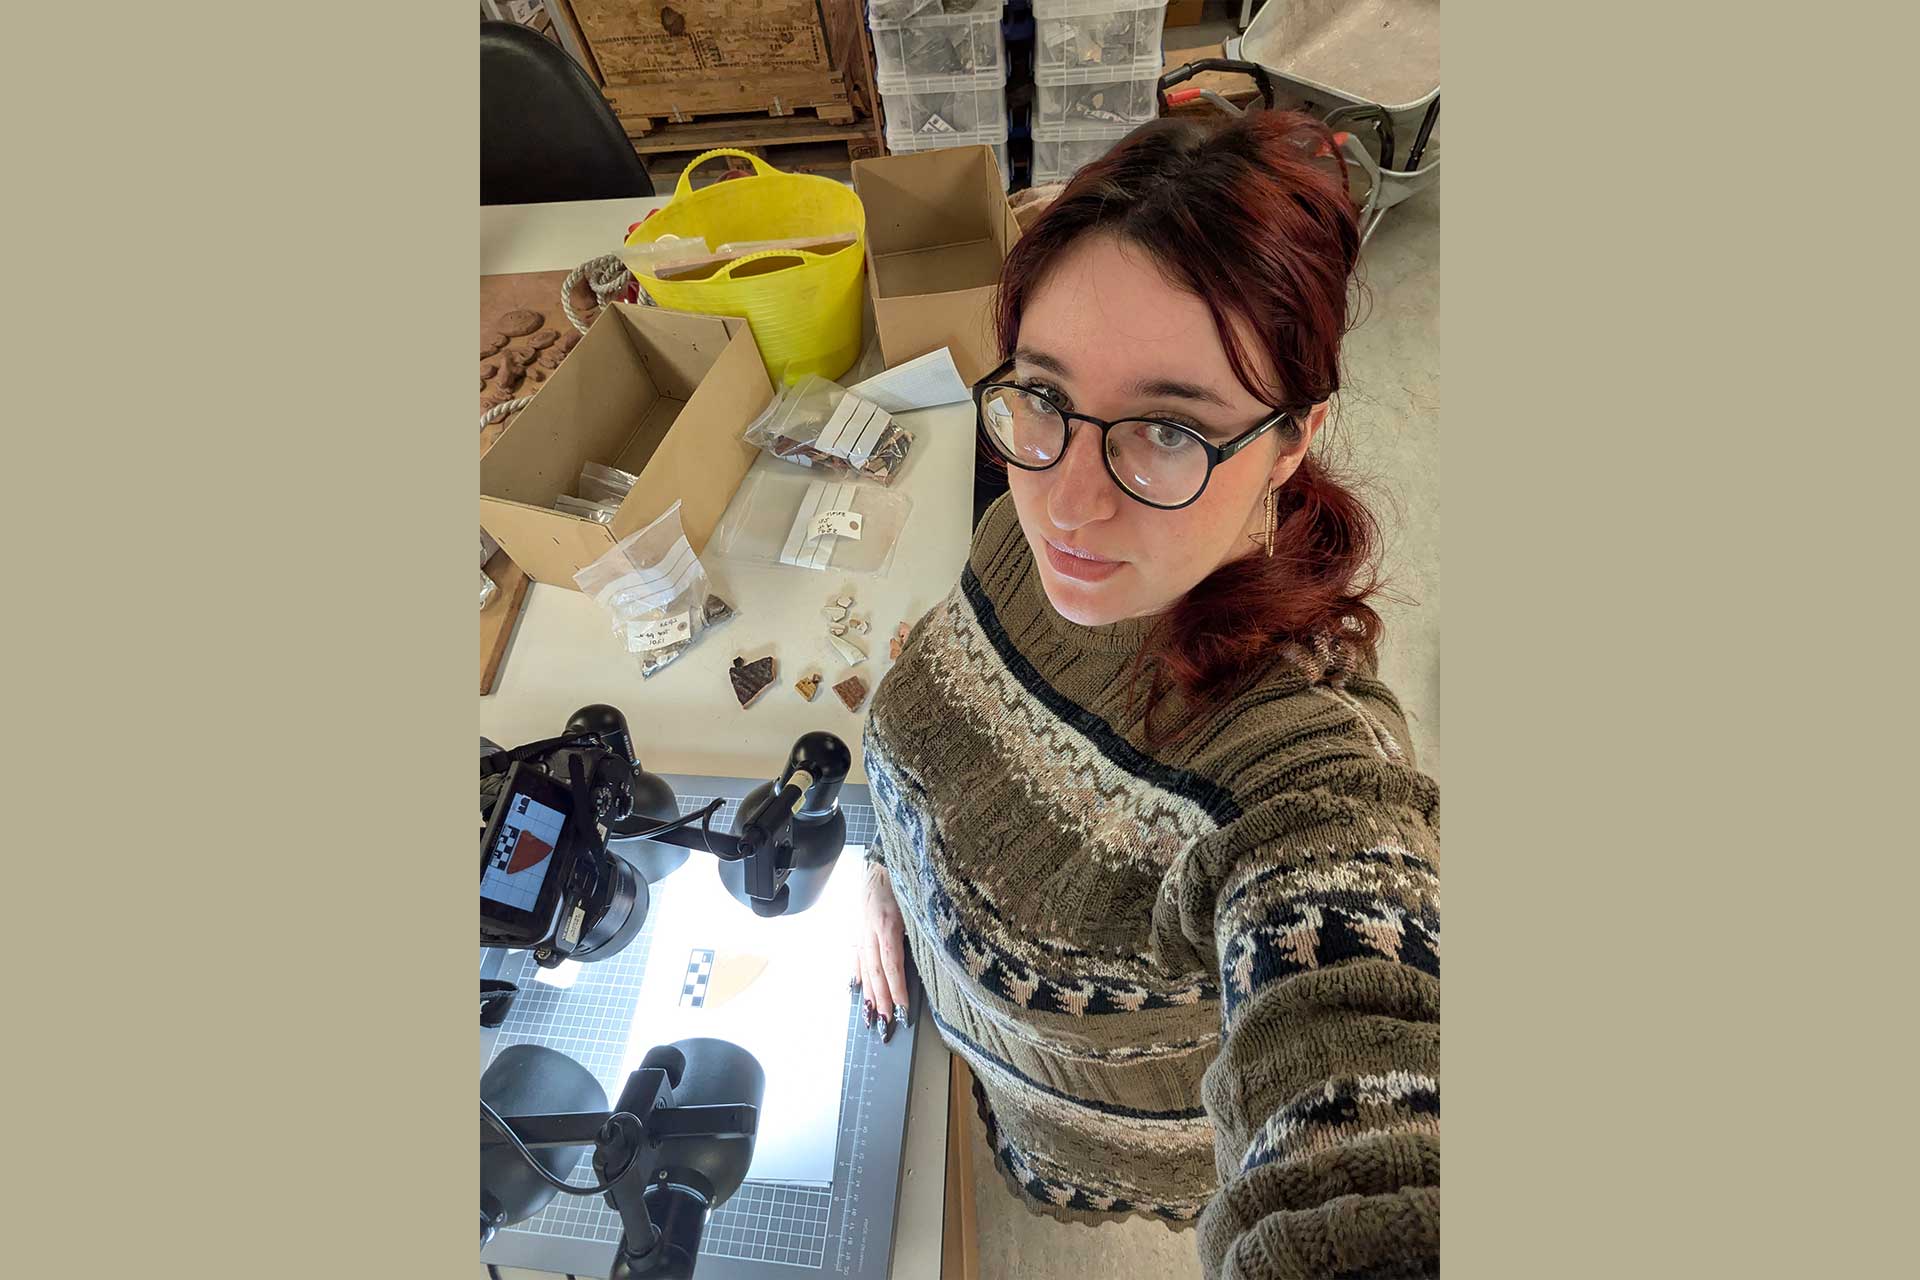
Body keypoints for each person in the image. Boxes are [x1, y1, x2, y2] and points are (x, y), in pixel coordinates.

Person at [851, 110, 1439, 1279]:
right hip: (944, 1023)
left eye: (1170, 429)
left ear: (1292, 440)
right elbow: (930, 704)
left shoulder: (1309, 774)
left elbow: (1369, 1124)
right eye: (1045, 395)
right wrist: (885, 865)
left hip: (1087, 1144)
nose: (1068, 506)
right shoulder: (1026, 518)